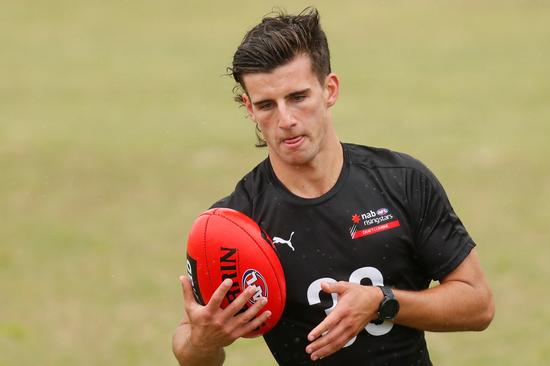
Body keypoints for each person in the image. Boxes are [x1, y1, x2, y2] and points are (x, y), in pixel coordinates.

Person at [172, 8, 494, 366]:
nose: (286, 120)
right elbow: (191, 347)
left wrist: (382, 302)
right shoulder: (235, 223)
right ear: (248, 108)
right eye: (266, 105)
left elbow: (478, 303)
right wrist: (203, 341)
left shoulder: (402, 181)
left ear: (329, 89)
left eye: (298, 97)